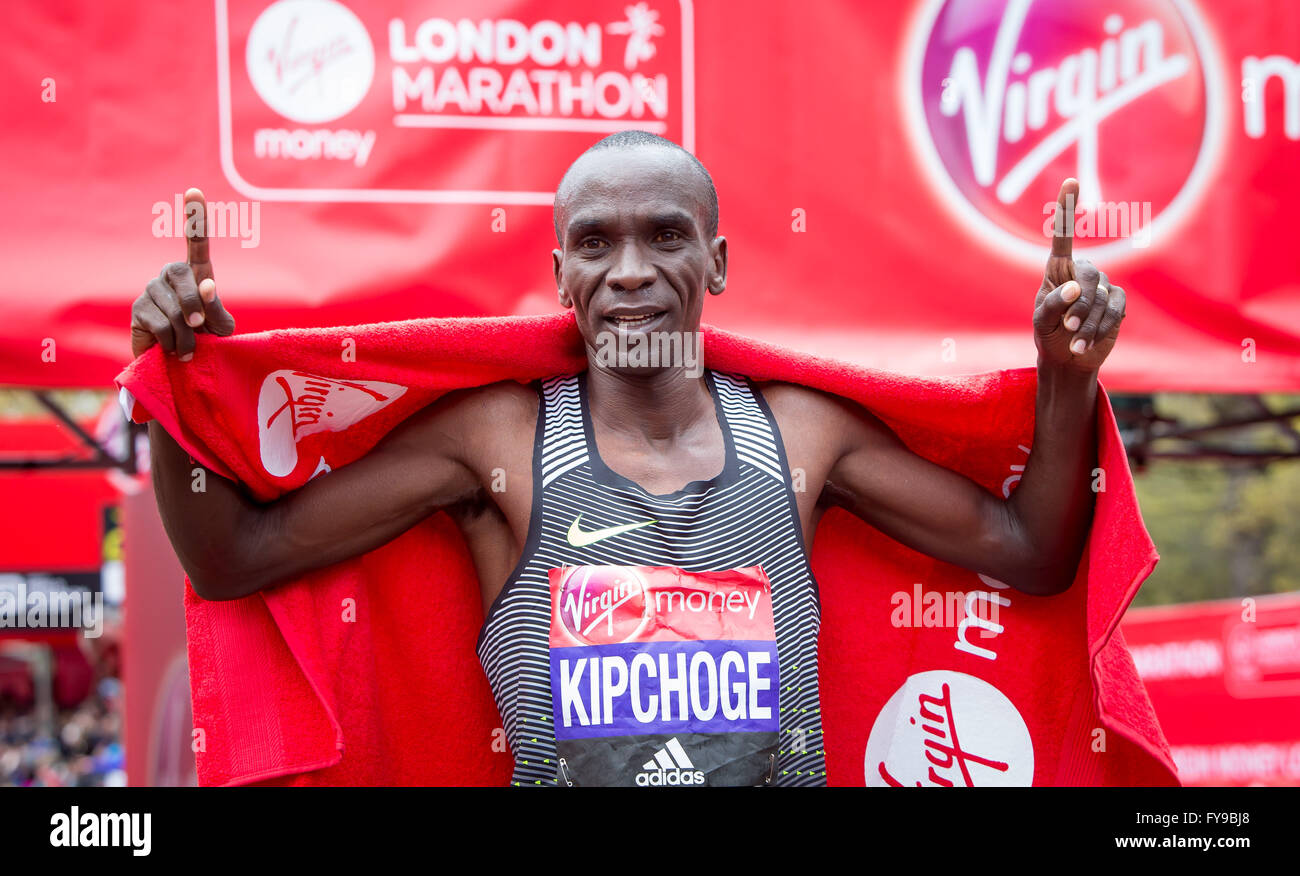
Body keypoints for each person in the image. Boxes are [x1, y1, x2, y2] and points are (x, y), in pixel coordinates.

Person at [128, 131, 1126, 786]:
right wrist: (175, 384)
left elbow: (1030, 550)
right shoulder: (502, 440)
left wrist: (1064, 378)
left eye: (665, 235)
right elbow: (233, 558)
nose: (632, 269)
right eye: (596, 242)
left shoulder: (800, 435)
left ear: (719, 263)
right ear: (560, 274)